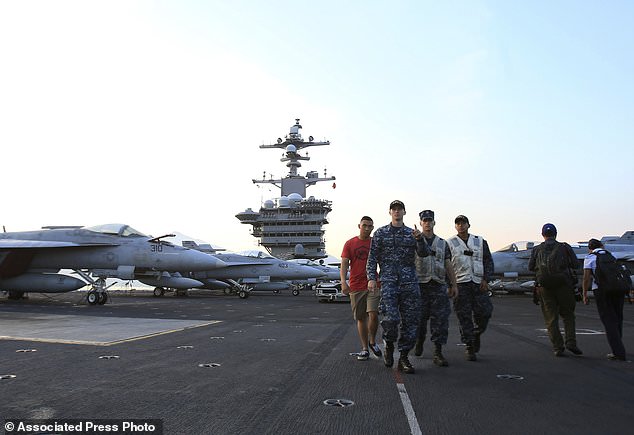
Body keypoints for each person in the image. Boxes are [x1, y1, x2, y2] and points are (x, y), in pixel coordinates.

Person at [366, 200, 430, 374]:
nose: (396, 212)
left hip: (409, 282)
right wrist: (372, 278)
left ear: (404, 212)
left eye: (399, 209)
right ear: (390, 212)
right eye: (394, 209)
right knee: (391, 319)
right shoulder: (380, 233)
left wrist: (420, 239)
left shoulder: (412, 233)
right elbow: (372, 258)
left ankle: (403, 357)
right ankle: (389, 345)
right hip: (389, 282)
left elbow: (424, 254)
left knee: (411, 321)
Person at [528, 223, 583, 357]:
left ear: (542, 235)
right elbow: (576, 265)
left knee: (551, 318)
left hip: (545, 287)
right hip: (564, 286)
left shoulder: (536, 249)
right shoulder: (564, 247)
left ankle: (558, 347)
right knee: (568, 315)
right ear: (556, 234)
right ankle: (571, 342)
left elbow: (530, 267)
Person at [414, 210, 458, 367]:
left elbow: (448, 264)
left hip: (438, 285)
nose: (427, 223)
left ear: (434, 222)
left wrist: (453, 284)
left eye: (430, 220)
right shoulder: (415, 240)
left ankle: (438, 352)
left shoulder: (442, 243)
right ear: (420, 223)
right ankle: (419, 341)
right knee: (419, 320)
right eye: (424, 220)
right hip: (420, 285)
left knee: (440, 321)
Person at [447, 215, 494, 361]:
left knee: (485, 312)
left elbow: (488, 261)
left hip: (478, 283)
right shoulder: (449, 243)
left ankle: (476, 333)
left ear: (468, 225)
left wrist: (486, 279)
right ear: (455, 226)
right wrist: (450, 285)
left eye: (463, 223)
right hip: (460, 284)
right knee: (464, 316)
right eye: (458, 224)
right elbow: (446, 265)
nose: (461, 226)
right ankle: (469, 346)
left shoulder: (480, 241)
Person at [340, 216, 382, 361]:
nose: (367, 228)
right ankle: (365, 348)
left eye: (370, 226)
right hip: (356, 285)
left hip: (373, 284)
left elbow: (383, 261)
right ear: (359, 226)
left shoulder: (375, 243)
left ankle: (372, 341)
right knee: (361, 318)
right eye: (364, 225)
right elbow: (344, 264)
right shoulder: (350, 243)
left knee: (373, 313)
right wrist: (343, 282)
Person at [582, 239, 627, 361]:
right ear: (602, 246)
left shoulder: (590, 257)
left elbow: (586, 278)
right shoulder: (612, 255)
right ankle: (618, 346)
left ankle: (618, 352)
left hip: (602, 291)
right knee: (618, 318)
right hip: (618, 289)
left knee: (608, 320)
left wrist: (585, 293)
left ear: (589, 248)